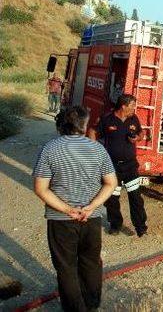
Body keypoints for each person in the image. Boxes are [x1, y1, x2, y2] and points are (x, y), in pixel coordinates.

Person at [33, 106, 117, 312]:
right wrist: (91, 207)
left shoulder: (50, 149)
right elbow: (111, 183)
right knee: (91, 263)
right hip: (91, 218)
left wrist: (68, 210)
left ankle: (74, 309)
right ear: (84, 125)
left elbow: (40, 188)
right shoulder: (98, 149)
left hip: (60, 220)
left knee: (66, 267)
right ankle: (92, 304)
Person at [88, 94, 148, 237]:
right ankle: (115, 224)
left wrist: (137, 138)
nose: (134, 108)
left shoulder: (133, 118)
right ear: (124, 106)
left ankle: (141, 227)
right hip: (112, 167)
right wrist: (95, 151)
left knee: (136, 197)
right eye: (132, 105)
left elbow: (141, 133)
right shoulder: (107, 119)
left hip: (130, 166)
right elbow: (92, 131)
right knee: (112, 198)